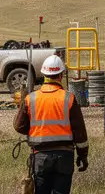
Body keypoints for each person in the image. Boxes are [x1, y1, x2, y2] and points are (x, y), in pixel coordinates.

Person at [14, 55, 89, 194]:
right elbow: (79, 131)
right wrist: (83, 155)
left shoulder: (31, 98)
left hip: (41, 156)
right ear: (60, 75)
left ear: (44, 75)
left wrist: (36, 129)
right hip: (64, 157)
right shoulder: (68, 98)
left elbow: (19, 126)